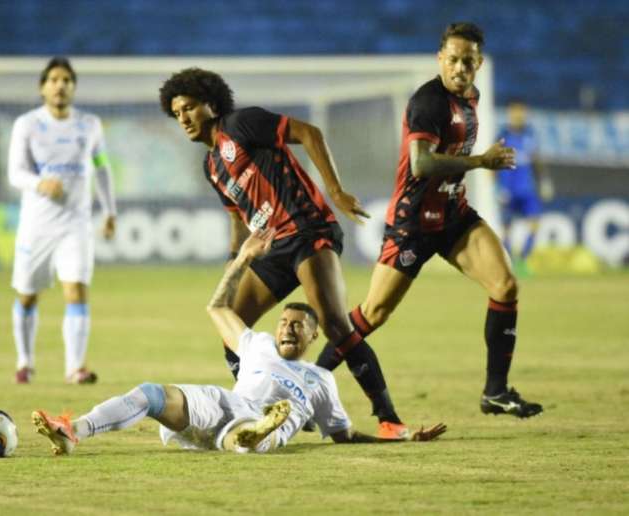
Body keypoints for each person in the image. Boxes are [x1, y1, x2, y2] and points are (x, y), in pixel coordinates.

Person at [32, 229, 447, 454]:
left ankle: (252, 435)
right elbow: (216, 308)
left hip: (262, 423)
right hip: (223, 404)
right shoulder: (258, 344)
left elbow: (344, 437)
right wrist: (242, 261)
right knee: (150, 394)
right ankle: (74, 431)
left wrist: (400, 438)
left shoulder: (321, 381)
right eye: (284, 320)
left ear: (314, 335)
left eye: (298, 324)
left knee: (250, 432)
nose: (286, 327)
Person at [158, 68, 408, 439]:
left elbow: (309, 133)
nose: (184, 119)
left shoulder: (242, 123)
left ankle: (388, 417)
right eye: (177, 113)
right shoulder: (212, 166)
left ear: (211, 104)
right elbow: (237, 219)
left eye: (190, 108)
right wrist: (236, 261)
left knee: (335, 324)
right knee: (233, 327)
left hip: (307, 229)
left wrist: (336, 191)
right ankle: (270, 404)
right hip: (272, 250)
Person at [345, 23, 543, 418]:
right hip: (414, 223)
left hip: (453, 215)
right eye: (452, 60)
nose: (459, 68)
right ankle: (307, 377)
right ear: (440, 59)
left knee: (505, 286)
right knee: (373, 314)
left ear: (478, 64)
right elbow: (420, 164)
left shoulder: (472, 97)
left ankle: (496, 392)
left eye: (467, 61)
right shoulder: (428, 102)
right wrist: (479, 162)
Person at [8, 57, 117, 384]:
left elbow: (101, 167)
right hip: (37, 226)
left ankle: (75, 368)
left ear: (73, 87)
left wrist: (110, 210)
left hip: (76, 225)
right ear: (43, 87)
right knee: (27, 294)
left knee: (77, 292)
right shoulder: (26, 124)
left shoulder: (89, 125)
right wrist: (40, 183)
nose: (60, 85)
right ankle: (24, 361)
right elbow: (15, 173)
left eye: (67, 80)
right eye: (54, 79)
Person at [495, 101, 554, 275]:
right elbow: (493, 163)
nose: (519, 116)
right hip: (508, 191)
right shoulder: (502, 136)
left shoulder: (530, 135)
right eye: (515, 113)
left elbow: (536, 160)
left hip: (527, 190)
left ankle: (523, 259)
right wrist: (496, 188)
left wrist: (544, 181)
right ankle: (510, 263)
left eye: (521, 113)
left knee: (535, 224)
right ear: (510, 115)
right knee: (507, 228)